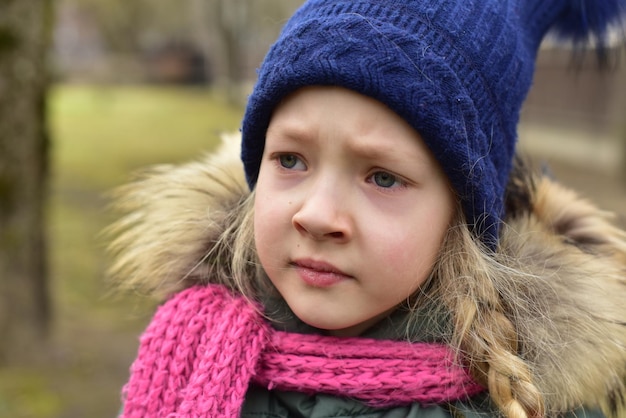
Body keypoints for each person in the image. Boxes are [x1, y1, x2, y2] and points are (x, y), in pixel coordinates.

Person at [108, 0, 626, 417]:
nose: (316, 215)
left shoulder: (532, 399)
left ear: (459, 218)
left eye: (382, 177)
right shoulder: (190, 353)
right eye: (290, 159)